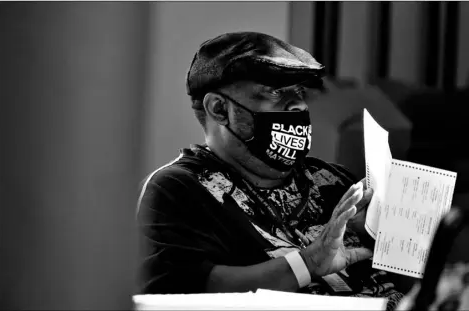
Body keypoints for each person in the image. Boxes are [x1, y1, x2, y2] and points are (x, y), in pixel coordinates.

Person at [136, 31, 404, 310]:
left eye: (299, 92)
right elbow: (185, 294)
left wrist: (397, 238)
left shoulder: (334, 181)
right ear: (219, 109)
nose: (297, 104)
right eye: (275, 92)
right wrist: (308, 263)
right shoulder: (179, 190)